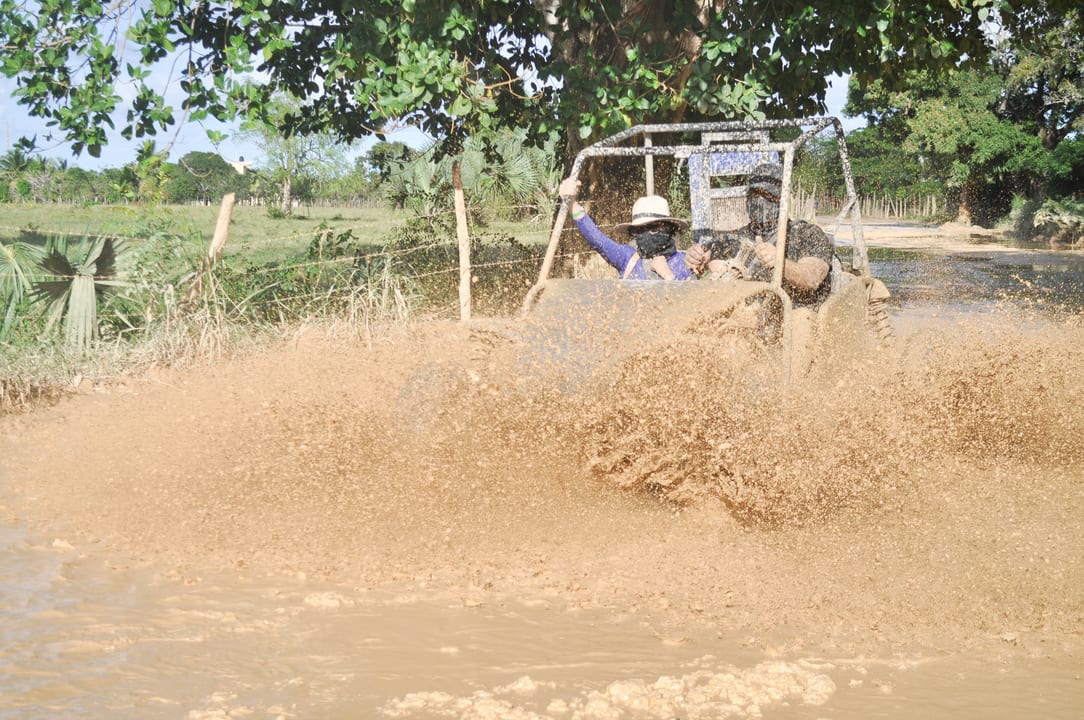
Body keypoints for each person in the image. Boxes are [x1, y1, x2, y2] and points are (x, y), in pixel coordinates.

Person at [684, 163, 832, 306]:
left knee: (802, 318)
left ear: (783, 199)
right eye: (755, 194)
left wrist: (780, 262)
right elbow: (708, 263)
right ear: (747, 198)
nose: (760, 201)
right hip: (746, 318)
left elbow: (812, 277)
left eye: (768, 195)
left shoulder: (806, 234)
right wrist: (697, 259)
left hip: (793, 316)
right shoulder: (733, 239)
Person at [558, 176, 695, 281]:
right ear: (633, 233)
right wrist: (571, 204)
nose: (647, 233)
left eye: (653, 227)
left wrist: (668, 276)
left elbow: (696, 308)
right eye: (640, 230)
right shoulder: (627, 257)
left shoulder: (686, 262)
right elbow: (598, 240)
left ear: (668, 228)